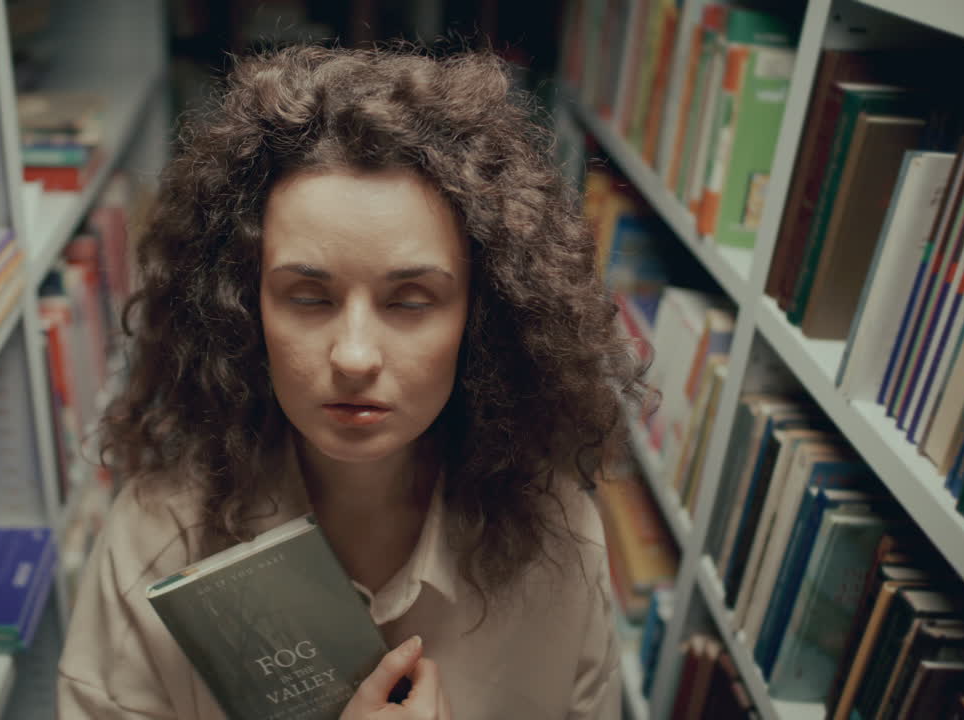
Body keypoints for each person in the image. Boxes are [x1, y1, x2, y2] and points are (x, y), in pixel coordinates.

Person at [58, 43, 641, 719]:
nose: (355, 356)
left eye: (411, 300)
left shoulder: (560, 544)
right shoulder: (154, 544)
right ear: (244, 309)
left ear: (479, 318)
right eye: (308, 297)